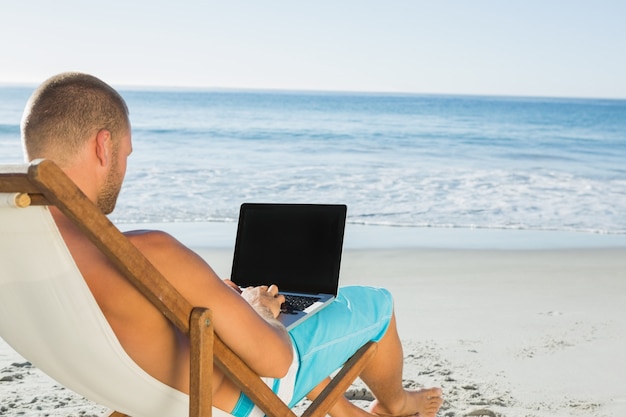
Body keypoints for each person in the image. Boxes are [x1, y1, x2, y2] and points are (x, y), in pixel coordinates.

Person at [20, 72, 443, 417]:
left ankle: (347, 413)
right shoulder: (149, 253)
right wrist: (258, 309)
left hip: (139, 394)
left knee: (237, 312)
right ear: (103, 146)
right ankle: (396, 404)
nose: (126, 168)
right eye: (127, 154)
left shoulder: (21, 257)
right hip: (234, 397)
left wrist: (218, 301)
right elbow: (277, 362)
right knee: (376, 305)